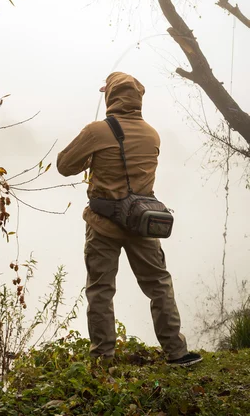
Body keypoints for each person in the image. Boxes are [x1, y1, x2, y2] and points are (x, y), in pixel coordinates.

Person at [56, 72, 202, 367]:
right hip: (144, 224)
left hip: (102, 224)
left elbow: (63, 165)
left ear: (110, 96)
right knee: (159, 284)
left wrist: (91, 158)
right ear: (138, 99)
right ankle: (176, 352)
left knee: (100, 290)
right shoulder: (152, 134)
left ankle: (102, 358)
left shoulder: (97, 131)